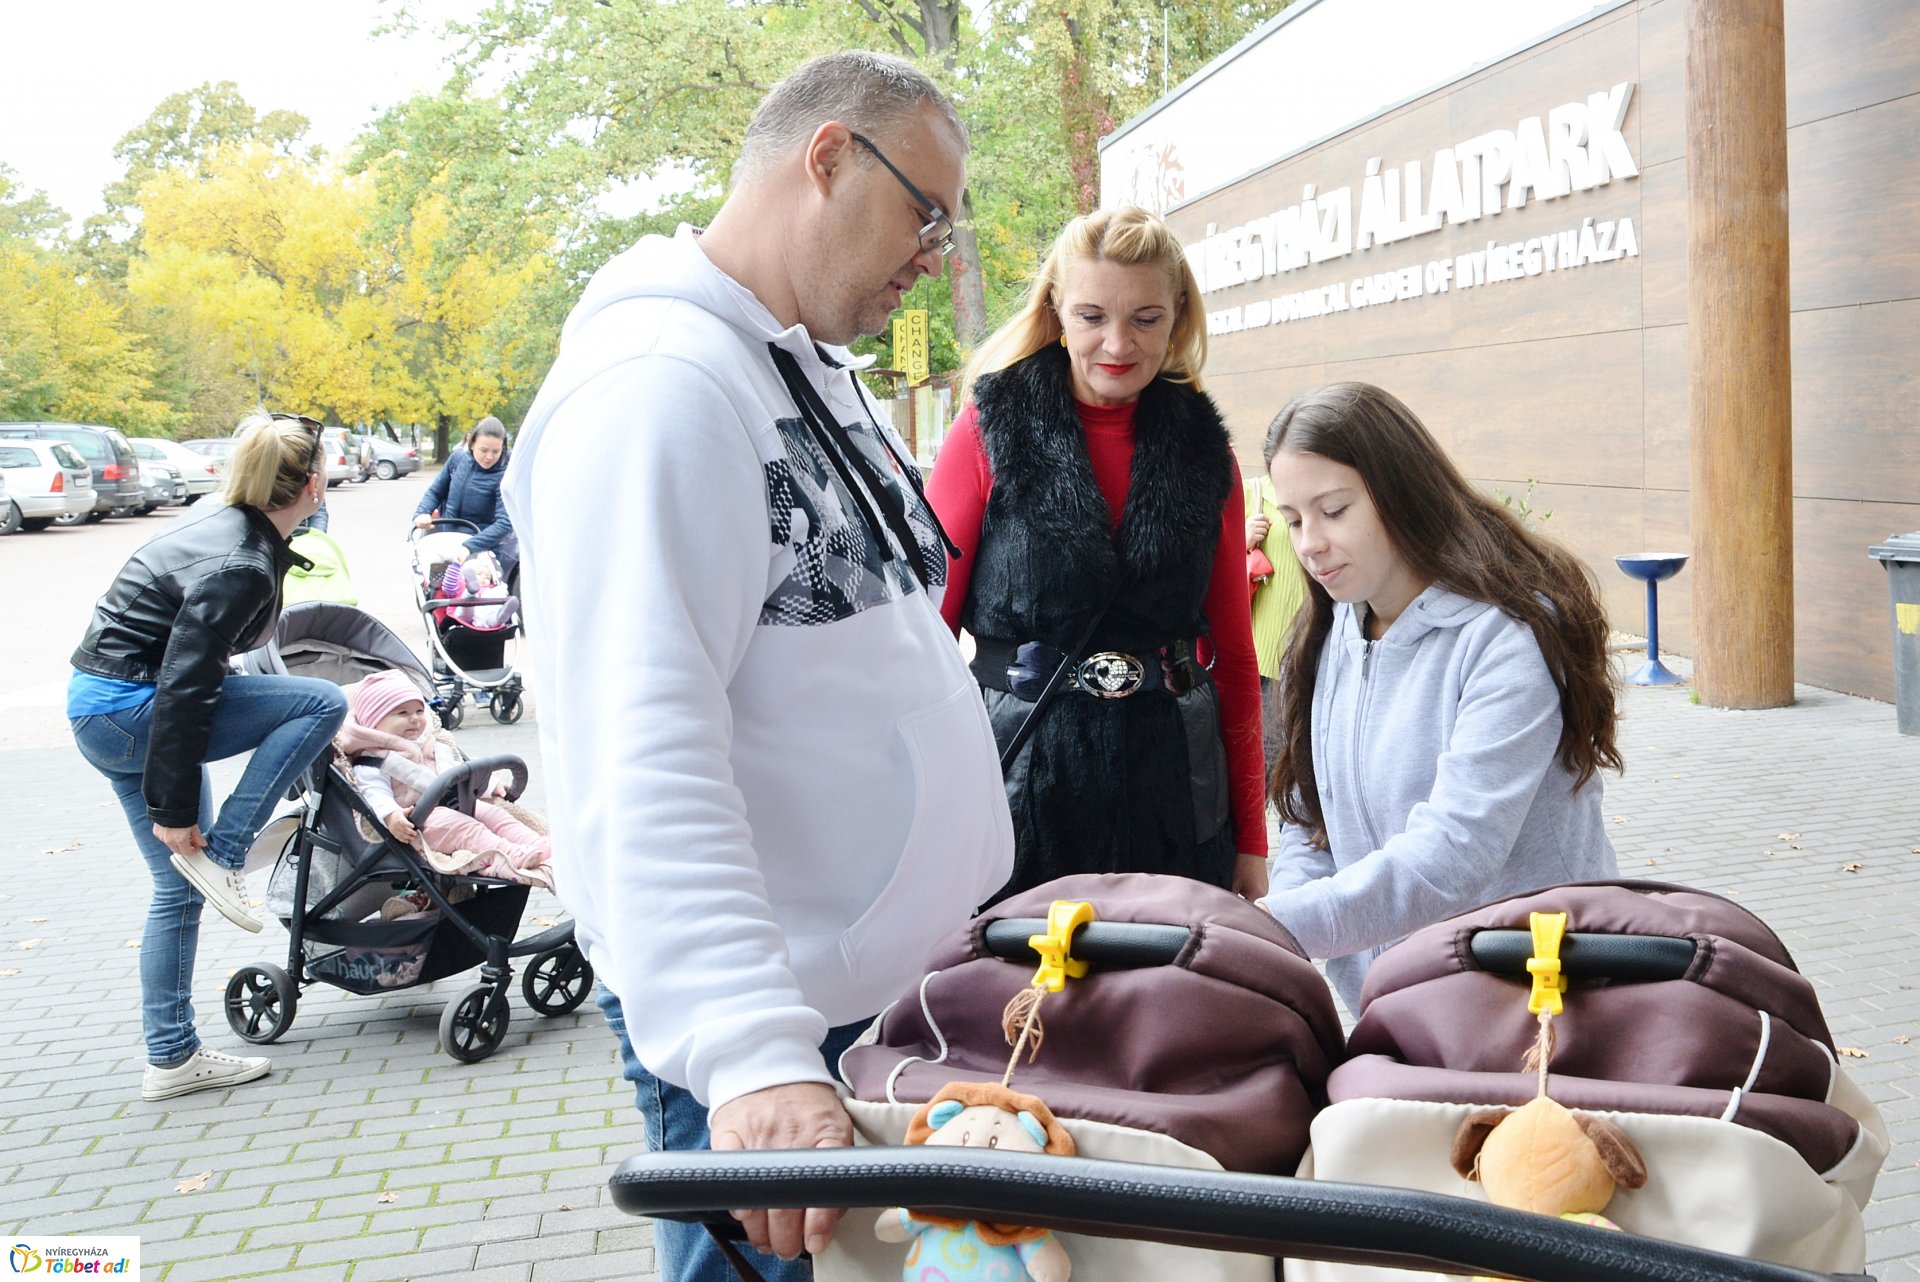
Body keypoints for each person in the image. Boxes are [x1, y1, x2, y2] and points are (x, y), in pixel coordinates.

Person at [500, 51, 1010, 1282]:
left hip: (868, 999)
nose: (935, 252)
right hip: (785, 1031)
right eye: (923, 213)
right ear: (826, 156)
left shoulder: (796, 363)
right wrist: (749, 1053)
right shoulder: (658, 391)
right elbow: (641, 743)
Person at [925, 205, 1268, 903]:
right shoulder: (987, 431)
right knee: (1020, 1007)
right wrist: (924, 819)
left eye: (1145, 318)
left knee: (1164, 1007)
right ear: (1055, 308)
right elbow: (923, 639)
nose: (1118, 343)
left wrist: (1252, 840)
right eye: (1092, 317)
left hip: (1176, 794)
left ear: (1178, 316)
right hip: (1017, 785)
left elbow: (1233, 659)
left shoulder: (1209, 457)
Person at [1258, 382, 1622, 1011]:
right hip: (1397, 1005)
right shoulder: (1330, 630)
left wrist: (1273, 928)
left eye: (1334, 509)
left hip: (1533, 998)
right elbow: (1310, 822)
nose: (1309, 543)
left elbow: (1455, 852)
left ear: (1401, 494)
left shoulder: (1505, 638)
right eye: (1293, 520)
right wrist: (1279, 930)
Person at [68, 411, 350, 1100]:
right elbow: (188, 687)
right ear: (312, 485)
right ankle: (225, 857)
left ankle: (171, 1058)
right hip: (136, 714)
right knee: (322, 702)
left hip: (100, 713)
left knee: (175, 886)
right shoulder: (242, 563)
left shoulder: (226, 524)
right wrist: (175, 808)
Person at [343, 671, 552, 889]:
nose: (414, 718)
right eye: (402, 713)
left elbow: (456, 772)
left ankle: (537, 842)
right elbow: (374, 793)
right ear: (373, 722)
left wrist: (489, 786)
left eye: (419, 711)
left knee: (495, 814)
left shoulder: (431, 743)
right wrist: (391, 816)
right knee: (467, 829)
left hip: (455, 803)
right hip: (419, 824)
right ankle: (509, 854)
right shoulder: (372, 759)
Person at [1245, 470, 1307, 760]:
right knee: (1270, 753)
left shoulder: (1323, 493)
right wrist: (1242, 541)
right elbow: (1205, 560)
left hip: (1315, 642)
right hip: (1266, 647)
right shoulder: (1252, 493)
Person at [413, 416, 516, 575]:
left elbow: (504, 522)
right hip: (448, 538)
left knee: (472, 592)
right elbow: (435, 492)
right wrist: (422, 512)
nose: (489, 457)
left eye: (496, 451)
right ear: (472, 443)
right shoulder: (458, 460)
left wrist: (470, 546)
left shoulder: (506, 475)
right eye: (484, 450)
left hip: (482, 546)